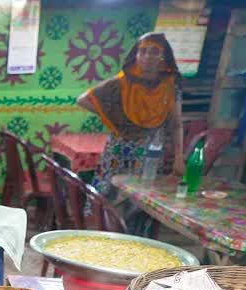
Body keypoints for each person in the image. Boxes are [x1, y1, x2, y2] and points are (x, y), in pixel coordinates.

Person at [77, 32, 185, 197]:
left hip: (150, 152)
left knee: (141, 200)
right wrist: (117, 119)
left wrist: (179, 156)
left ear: (163, 56)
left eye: (154, 51)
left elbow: (176, 124)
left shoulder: (170, 86)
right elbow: (84, 100)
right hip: (119, 149)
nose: (147, 56)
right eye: (143, 51)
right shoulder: (121, 83)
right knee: (108, 197)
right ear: (136, 55)